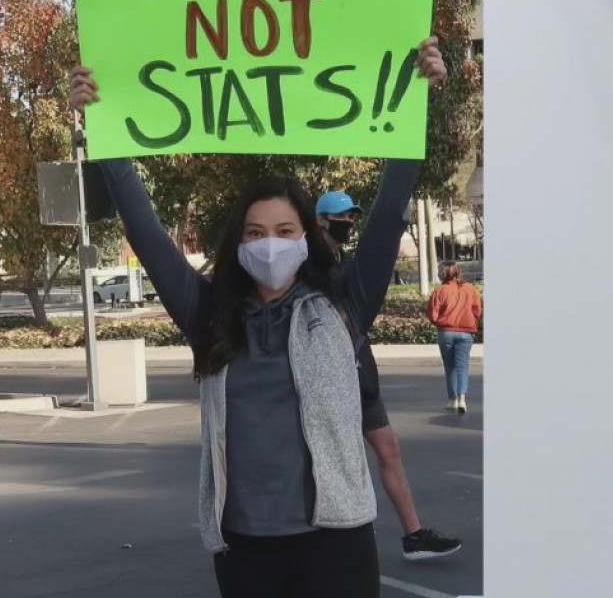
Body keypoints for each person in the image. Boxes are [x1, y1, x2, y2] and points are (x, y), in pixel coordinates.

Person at [68, 37, 445, 598]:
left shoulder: (344, 303)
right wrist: (102, 128)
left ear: (307, 237)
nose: (271, 245)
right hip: (244, 546)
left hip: (337, 542)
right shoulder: (208, 314)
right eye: (255, 233)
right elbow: (145, 231)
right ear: (237, 243)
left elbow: (391, 210)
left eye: (285, 231)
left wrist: (419, 100)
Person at [316, 191, 464, 561]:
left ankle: (414, 535)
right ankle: (312, 539)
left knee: (389, 448)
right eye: (340, 216)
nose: (347, 222)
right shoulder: (305, 264)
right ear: (320, 219)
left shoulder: (344, 260)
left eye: (351, 216)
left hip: (360, 372)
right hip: (326, 379)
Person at [427, 260, 483, 414]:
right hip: (466, 332)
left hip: (446, 332)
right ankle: (462, 399)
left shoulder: (440, 291)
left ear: (443, 274)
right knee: (463, 366)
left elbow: (433, 314)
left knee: (450, 367)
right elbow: (478, 310)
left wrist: (440, 323)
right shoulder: (471, 289)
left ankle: (452, 400)